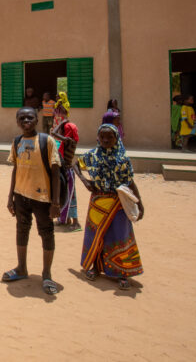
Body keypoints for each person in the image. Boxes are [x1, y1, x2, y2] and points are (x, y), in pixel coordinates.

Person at [74, 123, 144, 290]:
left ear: (116, 138)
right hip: (98, 201)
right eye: (102, 137)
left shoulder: (122, 159)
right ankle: (96, 267)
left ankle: (122, 272)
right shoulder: (92, 156)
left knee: (121, 236)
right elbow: (75, 165)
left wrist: (139, 203)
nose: (105, 140)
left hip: (118, 202)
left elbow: (130, 181)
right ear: (98, 137)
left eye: (109, 137)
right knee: (97, 235)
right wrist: (84, 181)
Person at [3, 107, 61, 296]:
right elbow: (15, 169)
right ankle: (21, 268)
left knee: (46, 232)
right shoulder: (17, 141)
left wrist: (55, 203)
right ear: (17, 122)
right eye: (22, 118)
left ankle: (46, 274)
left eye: (30, 117)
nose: (26, 120)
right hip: (21, 195)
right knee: (22, 229)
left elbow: (55, 172)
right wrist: (11, 196)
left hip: (42, 198)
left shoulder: (47, 141)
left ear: (37, 120)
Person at [51, 100, 80, 231]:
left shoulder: (69, 141)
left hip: (68, 171)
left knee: (70, 196)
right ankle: (66, 220)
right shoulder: (66, 142)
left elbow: (53, 133)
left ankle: (76, 222)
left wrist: (62, 123)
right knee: (64, 195)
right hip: (64, 170)